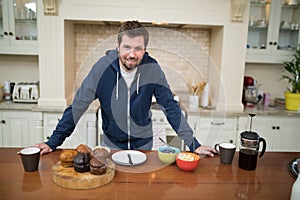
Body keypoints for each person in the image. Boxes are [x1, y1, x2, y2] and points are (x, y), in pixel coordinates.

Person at [35, 21, 217, 157]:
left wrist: (194, 144)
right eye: (127, 47)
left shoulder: (152, 69)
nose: (132, 54)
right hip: (111, 144)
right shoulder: (102, 68)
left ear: (145, 49)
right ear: (118, 47)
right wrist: (53, 142)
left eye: (138, 48)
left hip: (144, 145)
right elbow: (78, 106)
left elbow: (170, 107)